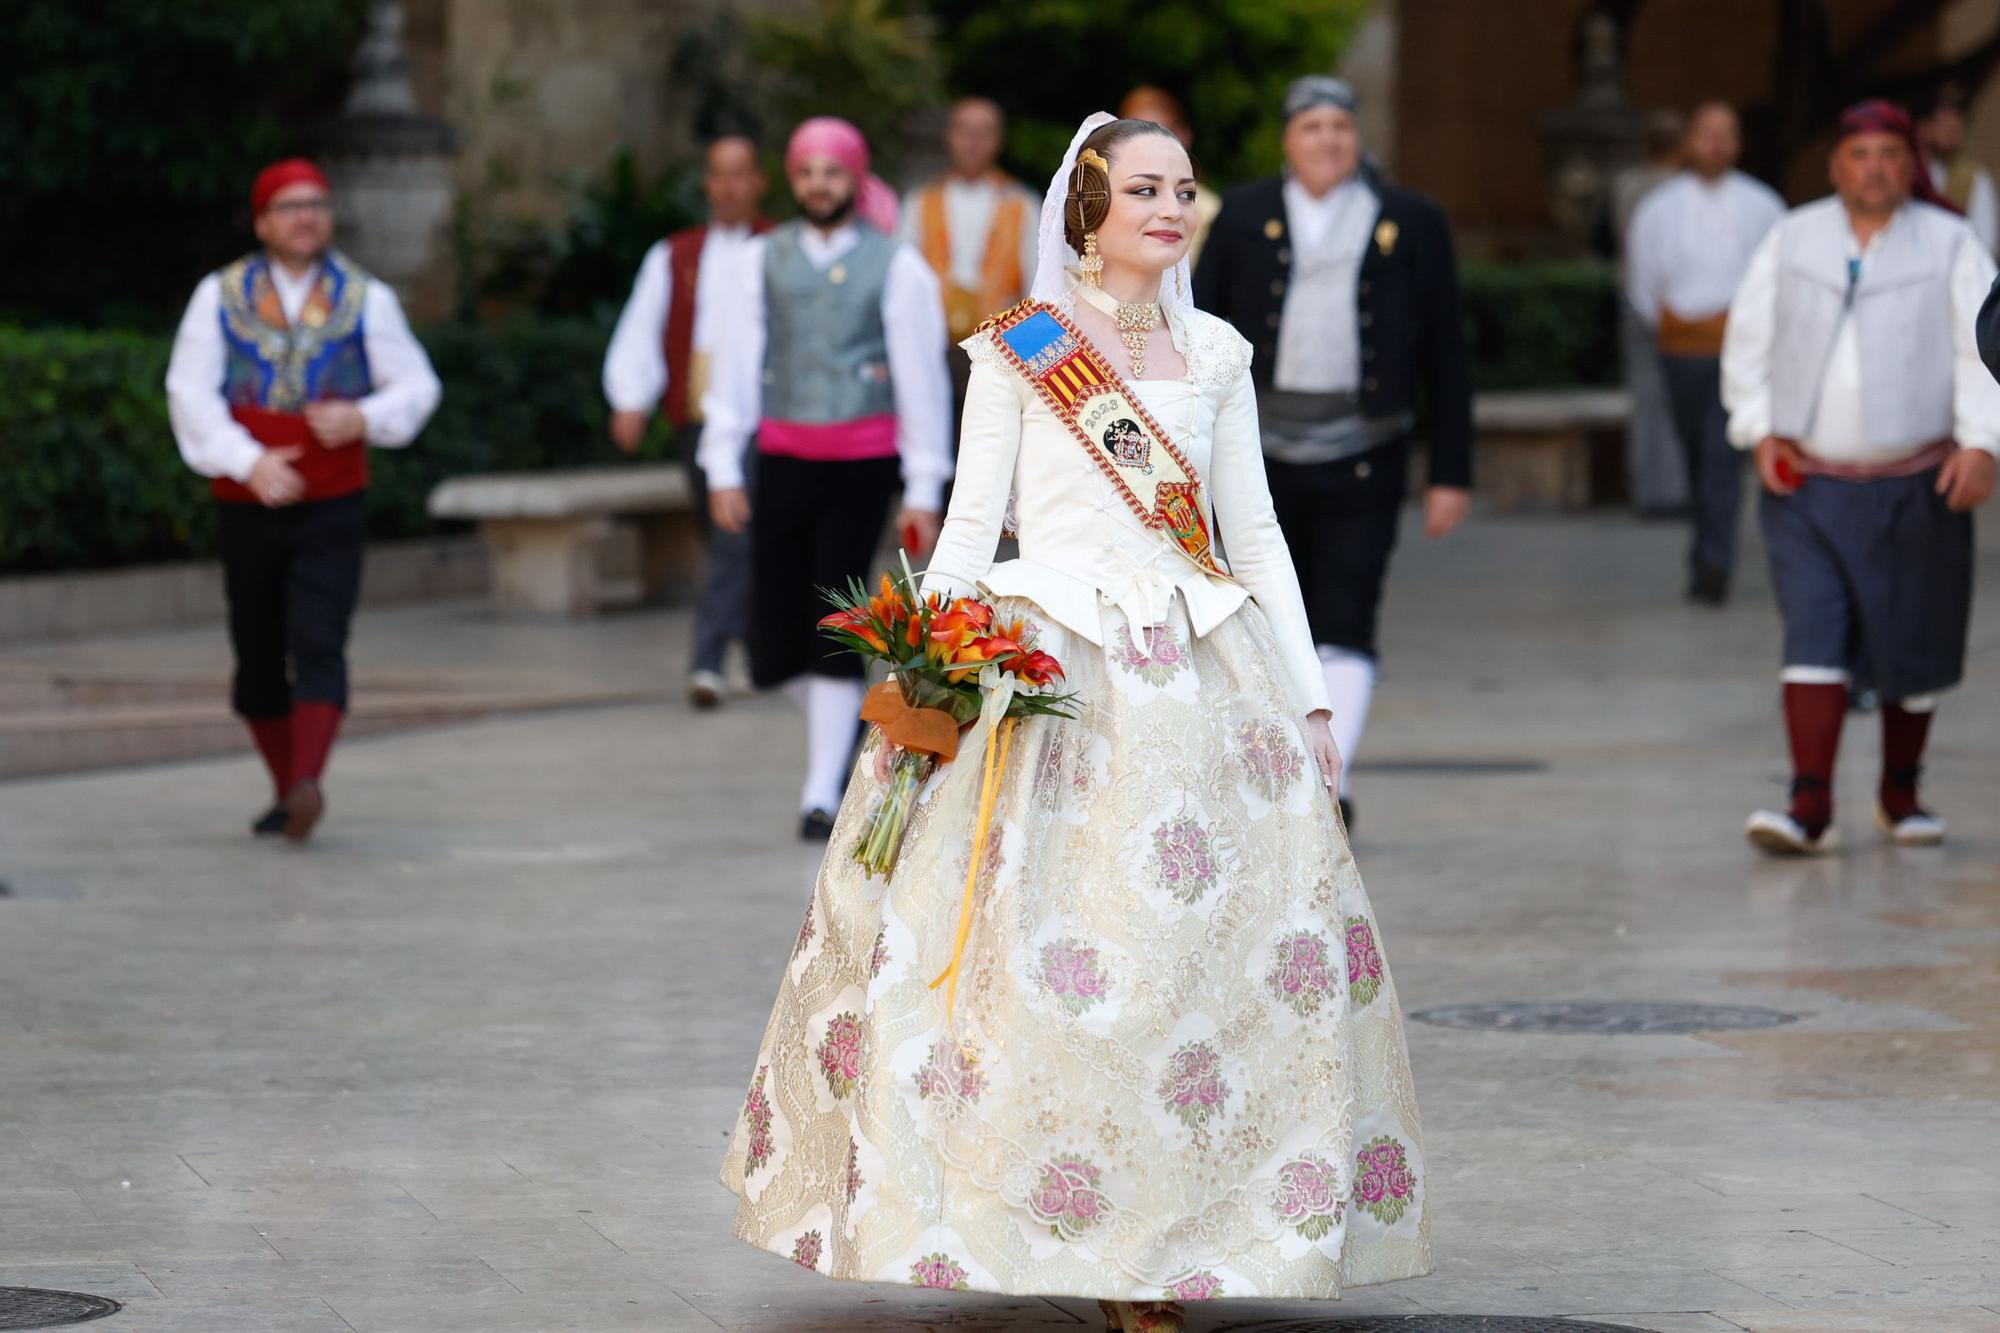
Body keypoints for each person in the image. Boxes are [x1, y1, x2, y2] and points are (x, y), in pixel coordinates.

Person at [718, 113, 1430, 1332]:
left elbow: (1250, 535)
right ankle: (1047, 1221)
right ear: (1086, 211)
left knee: (1194, 965)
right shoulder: (1021, 349)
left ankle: (1182, 1236)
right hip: (1045, 668)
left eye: (1184, 189)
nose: (1172, 207)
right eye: (1145, 188)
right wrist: (924, 678)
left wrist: (1309, 691)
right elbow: (965, 525)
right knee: (1046, 959)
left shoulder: (1214, 353)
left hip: (1202, 678)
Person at [1193, 75, 1472, 829]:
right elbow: (1196, 329)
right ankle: (1270, 769)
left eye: (1340, 127)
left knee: (1347, 609)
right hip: (1253, 451)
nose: (1327, 140)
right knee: (1258, 611)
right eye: (1311, 127)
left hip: (1365, 447)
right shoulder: (1246, 214)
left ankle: (1328, 785)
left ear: (1358, 137)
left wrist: (1451, 469)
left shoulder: (1410, 220)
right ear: (1288, 140)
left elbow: (1447, 346)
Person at [1722, 99, 1999, 855]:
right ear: (1835, 166)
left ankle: (1900, 794)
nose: (1875, 168)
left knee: (1913, 638)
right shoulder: (1792, 236)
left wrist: (1982, 443)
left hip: (1918, 481)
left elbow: (1982, 347)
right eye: (1860, 155)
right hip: (1806, 484)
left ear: (1910, 165)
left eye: (1889, 154)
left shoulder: (1949, 241)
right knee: (1813, 629)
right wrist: (1758, 426)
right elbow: (1749, 336)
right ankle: (1807, 806)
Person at [164, 159, 440, 844]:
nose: (306, 216)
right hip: (249, 500)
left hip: (332, 500)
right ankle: (288, 787)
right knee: (257, 651)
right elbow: (188, 392)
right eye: (289, 206)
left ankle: (308, 780)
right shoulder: (219, 295)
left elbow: (417, 385)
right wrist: (247, 460)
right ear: (262, 222)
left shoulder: (365, 297)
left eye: (315, 203)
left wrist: (365, 418)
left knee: (320, 637)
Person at [701, 118, 952, 840]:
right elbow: (737, 363)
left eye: (832, 171)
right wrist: (723, 462)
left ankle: (819, 792)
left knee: (837, 626)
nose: (819, 184)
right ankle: (844, 734)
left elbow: (922, 382)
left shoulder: (897, 266)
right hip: (782, 456)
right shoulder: (762, 258)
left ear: (855, 178)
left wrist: (924, 485)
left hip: (863, 463)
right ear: (792, 179)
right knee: (772, 644)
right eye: (806, 171)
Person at [603, 135, 772, 710]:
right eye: (718, 174)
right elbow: (642, 326)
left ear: (759, 182)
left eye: (740, 173)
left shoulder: (781, 249)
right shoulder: (674, 254)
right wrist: (632, 398)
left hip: (759, 421)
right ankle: (758, 648)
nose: (729, 186)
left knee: (732, 536)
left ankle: (708, 660)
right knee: (723, 533)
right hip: (695, 417)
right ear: (707, 183)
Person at [1626, 101, 1785, 605]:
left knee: (1721, 455)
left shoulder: (1764, 205)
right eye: (1706, 133)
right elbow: (1642, 282)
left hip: (1739, 348)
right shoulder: (1659, 207)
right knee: (1696, 452)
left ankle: (1715, 562)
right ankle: (1705, 550)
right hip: (1681, 348)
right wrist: (1675, 326)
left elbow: (1778, 277)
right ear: (1689, 141)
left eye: (1726, 134)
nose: (1716, 144)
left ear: (1738, 144)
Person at [901, 97, 1039, 347]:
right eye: (964, 131)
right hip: (931, 338)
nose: (973, 142)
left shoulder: (1021, 203)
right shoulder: (921, 201)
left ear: (999, 140)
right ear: (949, 136)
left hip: (1001, 342)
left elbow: (1037, 280)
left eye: (984, 133)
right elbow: (902, 276)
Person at [1608, 107, 1690, 516]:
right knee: (1678, 398)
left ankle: (1647, 489)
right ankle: (1673, 489)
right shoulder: (1683, 189)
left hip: (1633, 298)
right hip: (1678, 304)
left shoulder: (1626, 185)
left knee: (1645, 397)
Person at [1117, 85, 1221, 265]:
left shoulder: (1212, 211)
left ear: (1185, 136)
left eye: (1162, 134)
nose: (1150, 148)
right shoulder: (1104, 203)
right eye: (1136, 136)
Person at [1917, 90, 1998, 255]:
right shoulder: (1906, 175)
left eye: (1957, 125)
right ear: (1923, 128)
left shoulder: (1972, 177)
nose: (1953, 132)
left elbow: (1985, 240)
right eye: (1945, 125)